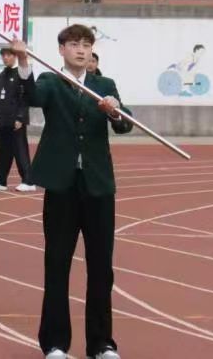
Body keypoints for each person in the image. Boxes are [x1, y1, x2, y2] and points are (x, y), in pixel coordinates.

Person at [20, 28, 131, 359]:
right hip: (62, 186)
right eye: (74, 45)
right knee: (57, 263)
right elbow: (31, 97)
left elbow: (125, 124)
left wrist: (114, 111)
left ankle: (101, 343)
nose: (81, 50)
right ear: (61, 50)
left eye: (86, 45)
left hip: (98, 186)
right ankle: (55, 343)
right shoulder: (50, 81)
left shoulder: (104, 85)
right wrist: (23, 61)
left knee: (101, 268)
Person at [0, 44, 36, 192]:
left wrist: (20, 117)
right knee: (2, 151)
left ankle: (28, 181)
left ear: (15, 56)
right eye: (3, 55)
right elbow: (0, 97)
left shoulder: (21, 74)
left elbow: (25, 98)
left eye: (9, 55)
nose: (5, 58)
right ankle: (0, 180)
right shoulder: (2, 75)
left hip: (16, 120)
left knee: (20, 150)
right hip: (3, 119)